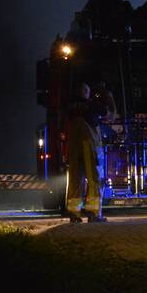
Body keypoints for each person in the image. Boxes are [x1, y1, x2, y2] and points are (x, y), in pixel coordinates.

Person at [65, 82, 108, 223]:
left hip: (74, 146)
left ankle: (74, 213)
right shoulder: (92, 105)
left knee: (75, 179)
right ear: (86, 93)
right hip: (89, 146)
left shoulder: (69, 107)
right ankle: (94, 213)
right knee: (94, 179)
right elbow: (108, 113)